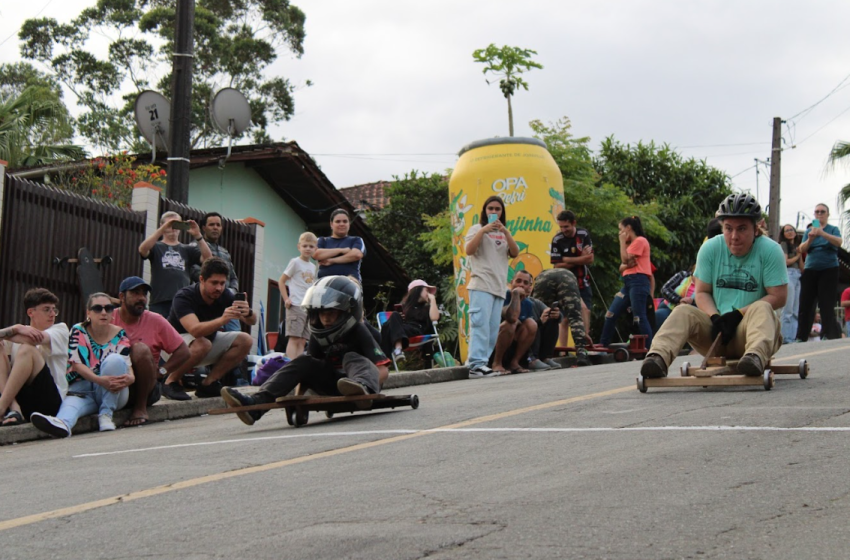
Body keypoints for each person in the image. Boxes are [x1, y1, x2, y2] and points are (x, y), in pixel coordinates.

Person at [640, 193, 787, 379]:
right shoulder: (710, 248)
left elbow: (779, 296)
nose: (734, 236)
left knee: (762, 307)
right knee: (683, 311)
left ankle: (755, 357)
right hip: (717, 334)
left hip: (752, 331)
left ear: (756, 229)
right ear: (722, 227)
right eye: (728, 228)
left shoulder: (771, 250)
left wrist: (738, 314)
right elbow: (702, 292)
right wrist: (715, 317)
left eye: (742, 229)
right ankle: (657, 358)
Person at [219, 276, 390, 426]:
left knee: (351, 357)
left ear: (347, 311)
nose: (326, 318)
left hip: (362, 383)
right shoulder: (319, 333)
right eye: (321, 312)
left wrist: (367, 387)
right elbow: (307, 369)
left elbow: (382, 370)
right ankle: (254, 405)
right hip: (332, 384)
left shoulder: (359, 330)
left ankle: (360, 387)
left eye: (331, 311)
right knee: (303, 359)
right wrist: (299, 401)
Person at [31, 293, 133, 437]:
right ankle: (62, 424)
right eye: (97, 308)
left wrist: (131, 378)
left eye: (108, 308)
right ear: (88, 313)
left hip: (113, 391)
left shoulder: (120, 333)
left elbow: (127, 364)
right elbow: (76, 364)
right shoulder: (78, 330)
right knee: (70, 407)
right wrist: (99, 380)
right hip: (84, 390)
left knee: (114, 360)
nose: (103, 312)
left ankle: (106, 414)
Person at [165, 257, 256, 400]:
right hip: (173, 349)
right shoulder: (184, 296)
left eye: (222, 283)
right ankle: (170, 381)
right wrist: (223, 320)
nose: (219, 288)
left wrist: (248, 312)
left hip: (203, 345)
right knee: (203, 343)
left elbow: (252, 321)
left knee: (246, 340)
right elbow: (195, 330)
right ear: (202, 279)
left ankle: (209, 383)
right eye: (214, 283)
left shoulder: (224, 295)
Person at [112, 276, 190, 426]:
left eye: (144, 294)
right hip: (116, 384)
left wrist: (161, 371)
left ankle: (140, 408)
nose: (141, 298)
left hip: (146, 389)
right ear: (122, 297)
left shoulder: (156, 320)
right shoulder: (109, 318)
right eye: (135, 293)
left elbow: (183, 351)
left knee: (140, 349)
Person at [464, 196, 519, 377]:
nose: (494, 212)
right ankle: (475, 364)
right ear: (484, 211)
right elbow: (469, 250)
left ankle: (482, 363)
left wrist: (506, 232)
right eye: (490, 208)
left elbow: (515, 252)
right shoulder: (476, 229)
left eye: (497, 209)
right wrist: (483, 231)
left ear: (502, 212)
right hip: (481, 284)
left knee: (493, 329)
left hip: (499, 286)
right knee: (480, 325)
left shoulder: (504, 233)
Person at [0, 289, 68, 427]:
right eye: (46, 309)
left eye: (54, 310)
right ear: (31, 312)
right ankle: (14, 408)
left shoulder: (60, 329)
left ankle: (1, 407)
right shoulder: (20, 331)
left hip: (50, 401)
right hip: (23, 400)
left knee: (27, 349)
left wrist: (13, 331)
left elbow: (33, 339)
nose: (52, 314)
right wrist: (16, 328)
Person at [139, 211, 212, 317]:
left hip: (182, 301)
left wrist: (198, 235)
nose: (172, 228)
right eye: (169, 225)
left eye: (176, 225)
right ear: (162, 225)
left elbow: (208, 259)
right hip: (159, 301)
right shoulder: (156, 247)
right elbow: (142, 249)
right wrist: (162, 229)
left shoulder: (187, 249)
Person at [599, 216, 653, 348]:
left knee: (639, 317)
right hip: (628, 283)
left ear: (628, 228)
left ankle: (649, 347)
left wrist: (622, 242)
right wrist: (626, 264)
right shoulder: (631, 244)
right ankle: (603, 344)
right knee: (610, 314)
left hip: (638, 281)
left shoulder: (640, 240)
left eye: (620, 229)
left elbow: (624, 260)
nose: (619, 233)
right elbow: (622, 267)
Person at [796, 204, 843, 341]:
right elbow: (801, 248)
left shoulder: (833, 229)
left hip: (829, 269)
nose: (819, 214)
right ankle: (801, 336)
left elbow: (839, 242)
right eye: (817, 212)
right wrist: (811, 238)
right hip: (811, 269)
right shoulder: (809, 231)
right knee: (806, 303)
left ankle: (827, 334)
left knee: (826, 303)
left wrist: (822, 233)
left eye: (822, 212)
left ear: (828, 214)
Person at [531, 268, 591, 366]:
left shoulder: (542, 277)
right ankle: (581, 354)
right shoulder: (568, 277)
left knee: (542, 315)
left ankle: (536, 356)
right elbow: (583, 309)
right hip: (567, 276)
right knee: (574, 316)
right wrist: (583, 334)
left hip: (543, 278)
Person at [550, 210, 594, 332]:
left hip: (582, 282)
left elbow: (590, 259)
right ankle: (565, 346)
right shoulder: (557, 240)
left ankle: (585, 340)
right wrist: (580, 258)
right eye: (561, 227)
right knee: (565, 319)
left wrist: (567, 259)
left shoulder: (583, 234)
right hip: (565, 283)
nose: (563, 230)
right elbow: (557, 266)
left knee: (586, 311)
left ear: (574, 223)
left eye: (566, 226)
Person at [379, 279, 440, 364]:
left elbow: (434, 318)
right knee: (394, 316)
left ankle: (385, 358)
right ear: (417, 290)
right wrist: (400, 318)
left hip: (417, 330)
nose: (429, 294)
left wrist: (433, 300)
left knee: (387, 327)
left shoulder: (427, 308)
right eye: (426, 290)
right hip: (403, 332)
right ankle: (397, 350)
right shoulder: (405, 307)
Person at [279, 232, 318, 358]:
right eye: (305, 246)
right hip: (296, 305)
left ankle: (298, 365)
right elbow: (282, 281)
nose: (308, 249)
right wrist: (286, 299)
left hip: (308, 307)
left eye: (311, 246)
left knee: (302, 340)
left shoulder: (314, 267)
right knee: (294, 338)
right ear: (299, 247)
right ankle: (290, 364)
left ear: (315, 248)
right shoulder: (295, 262)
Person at [491, 271, 537, 374]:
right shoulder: (503, 296)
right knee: (510, 324)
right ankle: (497, 363)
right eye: (518, 281)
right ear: (512, 282)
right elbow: (512, 318)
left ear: (529, 287)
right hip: (494, 342)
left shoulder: (529, 303)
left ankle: (515, 362)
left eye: (525, 283)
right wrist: (515, 295)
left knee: (531, 323)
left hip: (513, 342)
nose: (521, 285)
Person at [314, 209, 366, 282]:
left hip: (350, 284)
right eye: (338, 221)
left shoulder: (356, 240)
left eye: (345, 221)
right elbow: (316, 254)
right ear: (331, 224)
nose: (342, 224)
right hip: (324, 284)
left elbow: (356, 255)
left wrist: (332, 260)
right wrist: (341, 250)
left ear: (349, 224)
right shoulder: (322, 240)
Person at [778, 224, 803, 343]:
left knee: (795, 309)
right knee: (788, 309)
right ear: (783, 234)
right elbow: (786, 262)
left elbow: (802, 268)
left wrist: (800, 255)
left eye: (791, 229)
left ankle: (792, 337)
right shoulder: (784, 245)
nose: (789, 232)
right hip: (788, 274)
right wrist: (798, 255)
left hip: (797, 275)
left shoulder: (797, 246)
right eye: (786, 230)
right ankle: (785, 337)